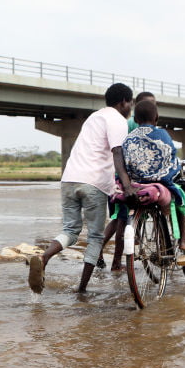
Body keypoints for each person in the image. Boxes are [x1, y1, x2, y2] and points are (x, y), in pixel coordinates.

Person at [28, 83, 137, 294]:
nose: (130, 107)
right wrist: (127, 185)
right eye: (130, 103)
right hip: (93, 183)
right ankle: (81, 289)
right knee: (95, 237)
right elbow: (117, 153)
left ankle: (44, 256)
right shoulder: (118, 120)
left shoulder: (94, 117)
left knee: (70, 231)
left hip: (69, 179)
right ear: (124, 102)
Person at [120, 100, 185, 254]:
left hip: (137, 183)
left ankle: (136, 233)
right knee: (183, 200)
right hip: (160, 183)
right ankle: (183, 240)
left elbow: (125, 161)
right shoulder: (162, 134)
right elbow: (170, 155)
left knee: (135, 206)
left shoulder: (128, 138)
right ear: (156, 117)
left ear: (136, 119)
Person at [98, 91, 155, 270]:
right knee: (122, 221)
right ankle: (115, 262)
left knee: (118, 220)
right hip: (125, 180)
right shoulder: (135, 125)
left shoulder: (131, 123)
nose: (151, 107)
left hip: (120, 178)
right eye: (148, 104)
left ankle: (97, 252)